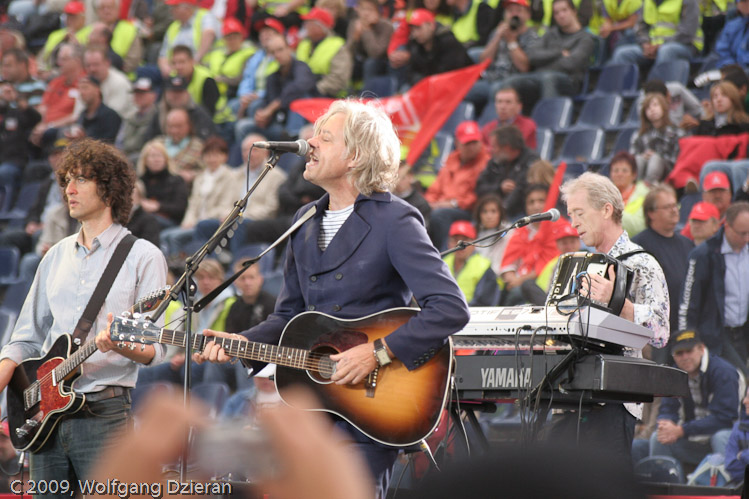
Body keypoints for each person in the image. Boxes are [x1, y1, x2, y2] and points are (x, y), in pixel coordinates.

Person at [195, 99, 471, 497]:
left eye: (324, 137)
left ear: (355, 156)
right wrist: (243, 341)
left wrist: (377, 353)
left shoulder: (395, 220)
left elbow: (449, 308)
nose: (310, 143)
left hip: (374, 405)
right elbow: (289, 315)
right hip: (314, 404)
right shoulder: (304, 220)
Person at [0, 138, 168, 492]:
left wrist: (118, 344)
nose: (69, 190)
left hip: (103, 416)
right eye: (66, 181)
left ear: (108, 188)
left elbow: (155, 350)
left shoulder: (144, 256)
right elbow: (25, 338)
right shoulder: (55, 256)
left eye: (80, 179)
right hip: (44, 417)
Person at [556, 171, 670, 462]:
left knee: (607, 481)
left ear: (606, 210)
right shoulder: (574, 266)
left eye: (579, 213)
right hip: (568, 393)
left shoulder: (642, 263)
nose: (573, 223)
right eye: (571, 215)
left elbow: (661, 332)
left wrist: (620, 304)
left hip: (614, 397)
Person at [650, 330, 739, 470]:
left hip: (728, 438)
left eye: (689, 351)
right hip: (692, 436)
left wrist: (681, 430)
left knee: (720, 437)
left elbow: (724, 419)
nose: (685, 357)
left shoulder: (723, 372)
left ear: (701, 349)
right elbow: (667, 409)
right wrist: (665, 425)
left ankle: (725, 482)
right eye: (679, 353)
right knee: (656, 439)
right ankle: (663, 483)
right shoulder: (674, 374)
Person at [679, 201, 749, 375]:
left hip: (743, 333)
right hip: (716, 335)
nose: (746, 238)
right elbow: (688, 303)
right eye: (742, 233)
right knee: (739, 378)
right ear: (727, 227)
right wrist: (686, 342)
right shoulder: (703, 255)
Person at [633, 184, 694, 356]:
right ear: (651, 213)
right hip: (655, 336)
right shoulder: (639, 246)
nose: (674, 211)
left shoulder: (687, 244)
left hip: (684, 332)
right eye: (667, 207)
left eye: (675, 205)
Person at [499, 0, 594, 108]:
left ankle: (548, 116)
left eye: (564, 10)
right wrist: (559, 53)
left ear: (574, 11)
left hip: (570, 80)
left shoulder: (585, 38)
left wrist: (544, 62)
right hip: (541, 75)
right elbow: (532, 56)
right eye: (556, 13)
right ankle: (510, 118)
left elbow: (570, 64)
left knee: (548, 78)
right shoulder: (551, 33)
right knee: (510, 81)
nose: (561, 15)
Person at [425, 120, 491, 250]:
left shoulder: (486, 163)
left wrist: (454, 203)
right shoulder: (451, 159)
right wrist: (430, 203)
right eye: (467, 143)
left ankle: (445, 254)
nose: (471, 147)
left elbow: (478, 196)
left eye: (475, 142)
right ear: (457, 143)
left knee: (440, 215)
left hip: (466, 210)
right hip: (441, 206)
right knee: (418, 209)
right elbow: (435, 188)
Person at [608, 0, 702, 67]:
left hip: (686, 46)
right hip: (653, 47)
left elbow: (687, 33)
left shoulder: (688, 1)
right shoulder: (647, 1)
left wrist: (660, 46)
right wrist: (645, 44)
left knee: (666, 51)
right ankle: (620, 89)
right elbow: (640, 28)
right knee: (622, 53)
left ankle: (659, 88)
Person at [296, 7, 353, 98]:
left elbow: (338, 79)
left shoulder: (337, 46)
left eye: (309, 23)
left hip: (328, 95)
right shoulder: (304, 44)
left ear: (320, 27)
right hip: (303, 90)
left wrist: (315, 89)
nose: (305, 26)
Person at [443, 220, 501, 306]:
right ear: (448, 243)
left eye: (465, 240)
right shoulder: (442, 263)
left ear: (474, 243)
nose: (459, 245)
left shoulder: (483, 266)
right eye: (455, 240)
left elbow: (483, 303)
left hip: (472, 312)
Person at [630, 93, 684, 183]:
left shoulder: (676, 132)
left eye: (655, 105)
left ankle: (650, 187)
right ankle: (636, 187)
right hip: (644, 168)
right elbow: (631, 157)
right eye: (648, 108)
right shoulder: (639, 135)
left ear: (663, 107)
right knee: (638, 159)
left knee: (655, 159)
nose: (652, 109)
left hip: (669, 171)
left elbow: (678, 159)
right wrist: (644, 156)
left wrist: (657, 155)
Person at [609, 151, 650, 238]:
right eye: (616, 170)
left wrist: (611, 212)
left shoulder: (646, 195)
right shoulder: (604, 195)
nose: (619, 174)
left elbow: (640, 227)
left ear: (634, 175)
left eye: (625, 171)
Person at [723, 386, 749, 483]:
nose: (744, 401)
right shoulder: (738, 427)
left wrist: (742, 455)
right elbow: (730, 466)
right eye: (745, 396)